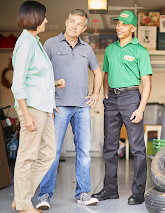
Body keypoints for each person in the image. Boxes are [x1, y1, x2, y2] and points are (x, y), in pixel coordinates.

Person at [36, 9, 102, 209]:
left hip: (82, 107)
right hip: (59, 107)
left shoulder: (87, 49)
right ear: (66, 22)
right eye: (72, 22)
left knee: (84, 152)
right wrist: (49, 100)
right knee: (53, 152)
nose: (75, 26)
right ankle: (44, 196)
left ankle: (83, 193)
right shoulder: (50, 44)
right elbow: (40, 73)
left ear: (84, 28)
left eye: (79, 24)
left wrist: (96, 93)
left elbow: (97, 72)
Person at [91, 10, 152, 205]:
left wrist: (141, 108)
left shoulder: (140, 50)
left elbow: (147, 83)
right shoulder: (110, 50)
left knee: (137, 149)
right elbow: (106, 73)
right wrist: (106, 93)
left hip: (131, 97)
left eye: (124, 25)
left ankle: (138, 192)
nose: (119, 27)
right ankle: (110, 190)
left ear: (133, 28)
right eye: (118, 24)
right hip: (112, 100)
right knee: (109, 147)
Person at [11, 1, 66, 213]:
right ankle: (24, 205)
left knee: (48, 154)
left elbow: (35, 77)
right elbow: (18, 83)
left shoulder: (35, 42)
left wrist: (54, 84)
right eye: (44, 17)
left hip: (44, 108)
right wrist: (26, 115)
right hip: (31, 108)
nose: (46, 20)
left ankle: (21, 197)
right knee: (27, 156)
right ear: (34, 17)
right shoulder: (25, 42)